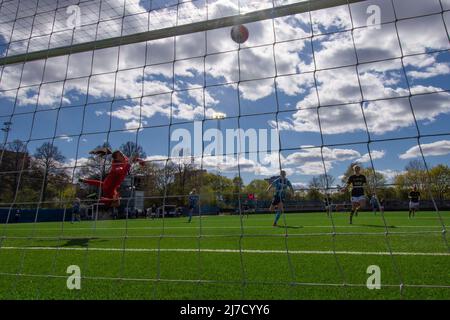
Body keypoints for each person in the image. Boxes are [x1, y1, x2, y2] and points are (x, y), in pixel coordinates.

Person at [79, 148, 145, 208]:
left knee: (114, 200)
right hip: (109, 187)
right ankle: (99, 199)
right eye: (120, 155)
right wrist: (129, 164)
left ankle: (98, 198)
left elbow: (132, 159)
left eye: (122, 154)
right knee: (116, 203)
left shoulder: (123, 159)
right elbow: (122, 172)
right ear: (117, 159)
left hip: (109, 186)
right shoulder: (116, 167)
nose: (123, 155)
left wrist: (139, 160)